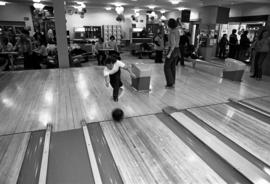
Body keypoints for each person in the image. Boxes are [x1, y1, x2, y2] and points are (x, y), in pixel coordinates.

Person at [164, 18, 180, 88]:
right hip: (177, 50)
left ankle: (170, 83)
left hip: (172, 50)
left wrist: (169, 53)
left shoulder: (172, 32)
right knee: (172, 66)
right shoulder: (177, 31)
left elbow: (173, 44)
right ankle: (172, 82)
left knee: (166, 67)